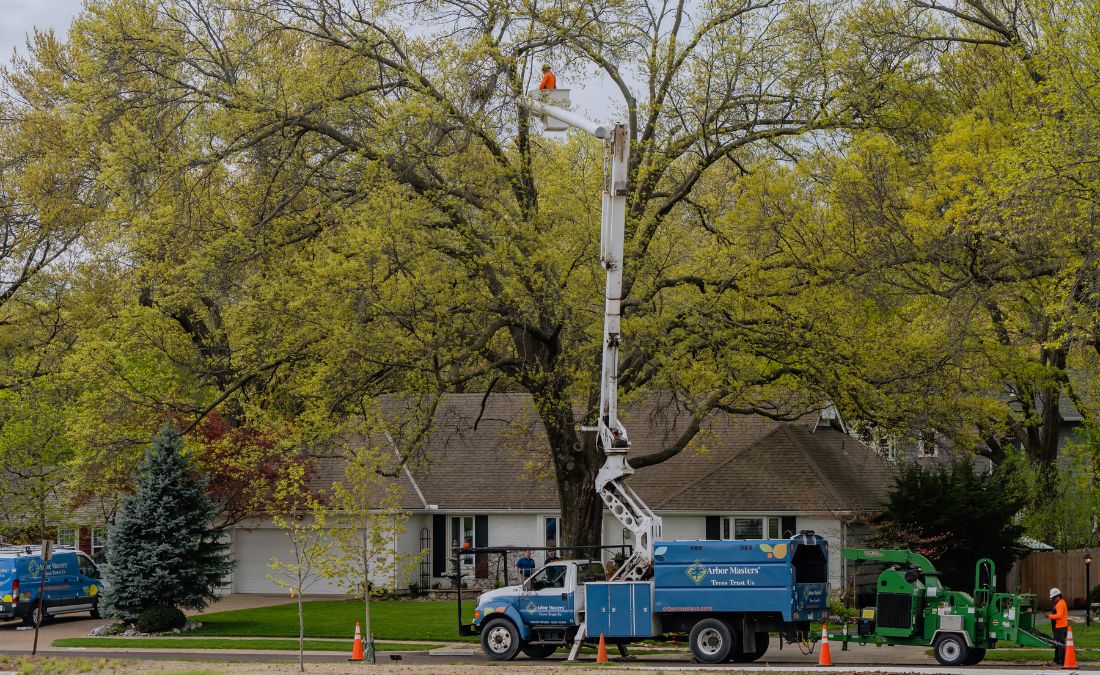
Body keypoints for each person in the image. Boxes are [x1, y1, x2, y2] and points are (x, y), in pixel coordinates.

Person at [1048, 587, 1069, 666]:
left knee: (1059, 645)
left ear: (1057, 596)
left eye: (1053, 598)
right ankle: (1061, 661)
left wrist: (1049, 616)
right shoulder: (1062, 602)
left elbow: (1059, 615)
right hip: (1062, 627)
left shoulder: (1060, 604)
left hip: (1059, 628)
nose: (1053, 600)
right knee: (1061, 644)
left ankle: (1057, 661)